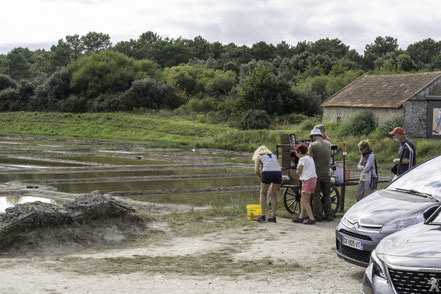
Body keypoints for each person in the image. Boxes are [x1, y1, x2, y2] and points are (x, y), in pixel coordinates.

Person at [308, 128, 333, 222]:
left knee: (316, 195)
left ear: (313, 136)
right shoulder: (328, 144)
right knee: (327, 195)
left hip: (316, 174)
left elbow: (310, 160)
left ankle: (317, 216)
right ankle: (329, 215)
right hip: (327, 173)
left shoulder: (312, 145)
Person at [252, 145, 282, 223]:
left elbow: (256, 171)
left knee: (263, 193)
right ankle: (273, 216)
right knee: (273, 194)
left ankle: (262, 215)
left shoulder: (259, 156)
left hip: (268, 173)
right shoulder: (273, 156)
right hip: (278, 173)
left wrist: (261, 177)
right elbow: (277, 165)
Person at [292, 144, 317, 225]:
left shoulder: (302, 159)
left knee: (305, 201)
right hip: (313, 180)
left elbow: (298, 173)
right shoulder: (310, 158)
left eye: (296, 152)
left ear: (299, 152)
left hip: (307, 180)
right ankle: (301, 217)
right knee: (304, 200)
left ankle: (311, 218)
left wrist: (297, 169)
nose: (296, 154)